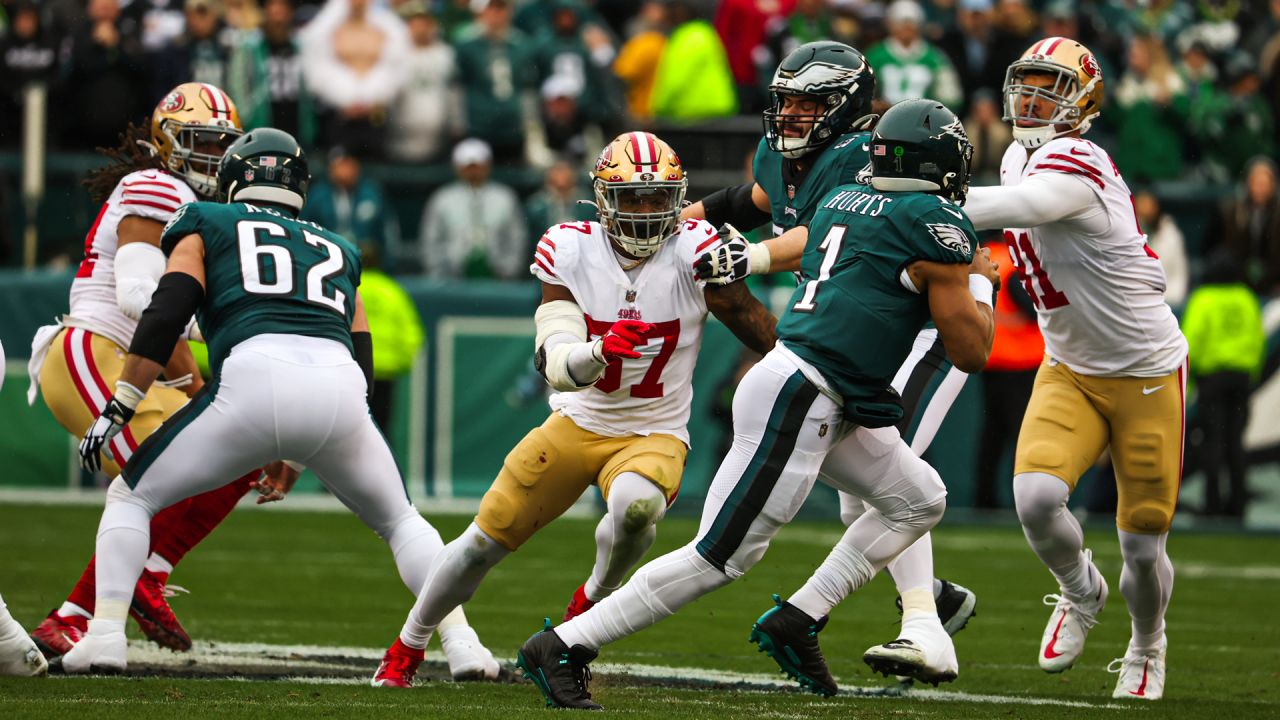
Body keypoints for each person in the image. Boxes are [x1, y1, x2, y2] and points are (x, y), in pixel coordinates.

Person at [515, 100, 997, 710]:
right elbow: (972, 349)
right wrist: (982, 278)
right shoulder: (936, 228)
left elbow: (785, 231)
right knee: (718, 557)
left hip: (816, 385)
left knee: (918, 499)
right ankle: (563, 644)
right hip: (806, 393)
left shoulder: (846, 202)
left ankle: (800, 616)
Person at [58, 128, 498, 681]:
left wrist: (122, 401)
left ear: (233, 178)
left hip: (252, 374)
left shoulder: (207, 221)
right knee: (402, 522)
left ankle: (103, 638)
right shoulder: (339, 247)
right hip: (338, 389)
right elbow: (359, 347)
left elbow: (166, 311)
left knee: (132, 495)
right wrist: (304, 450)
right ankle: (464, 644)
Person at [369, 130, 779, 689]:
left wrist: (799, 346)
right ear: (604, 200)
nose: (644, 211)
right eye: (630, 197)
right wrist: (599, 351)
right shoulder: (569, 246)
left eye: (657, 198)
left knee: (636, 510)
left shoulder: (696, 249)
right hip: (578, 420)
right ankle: (409, 643)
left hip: (654, 431)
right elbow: (554, 358)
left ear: (676, 198)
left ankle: (591, 599)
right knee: (478, 546)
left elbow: (757, 327)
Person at [682, 40, 979, 686]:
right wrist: (689, 220)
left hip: (921, 315)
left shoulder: (858, 159)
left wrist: (753, 259)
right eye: (783, 102)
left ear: (844, 109)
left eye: (805, 104)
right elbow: (754, 200)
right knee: (886, 489)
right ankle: (925, 608)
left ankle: (922, 618)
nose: (787, 116)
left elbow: (818, 235)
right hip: (859, 318)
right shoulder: (786, 153)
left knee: (894, 477)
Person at [961, 36, 1189, 701]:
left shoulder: (1079, 158)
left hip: (1145, 370)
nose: (1033, 97)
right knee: (1033, 499)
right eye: (1027, 82)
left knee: (1143, 548)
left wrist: (911, 199)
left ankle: (1149, 641)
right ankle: (1078, 588)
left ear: (1083, 101)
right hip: (1070, 365)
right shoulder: (1013, 157)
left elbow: (1022, 211)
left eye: (1051, 86)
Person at [25, 83, 258, 660]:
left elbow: (165, 326)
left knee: (241, 451)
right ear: (168, 140)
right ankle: (120, 593)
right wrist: (232, 326)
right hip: (95, 350)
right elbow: (139, 300)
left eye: (221, 145)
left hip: (135, 359)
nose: (212, 156)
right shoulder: (157, 185)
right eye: (201, 141)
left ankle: (87, 609)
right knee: (160, 475)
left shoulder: (201, 208)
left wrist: (205, 390)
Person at [1181, 253, 1265, 519]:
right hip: (1241, 378)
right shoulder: (1246, 298)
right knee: (1236, 443)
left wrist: (1191, 383)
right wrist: (1251, 375)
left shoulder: (1203, 298)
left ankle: (1213, 506)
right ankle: (1238, 506)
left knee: (1212, 442)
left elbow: (1190, 340)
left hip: (1213, 379)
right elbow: (1258, 340)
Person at [419, 138, 528, 279]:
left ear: (487, 166)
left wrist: (509, 271)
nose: (473, 171)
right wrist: (440, 273)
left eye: (478, 165)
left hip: (498, 277)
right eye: (468, 166)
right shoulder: (442, 199)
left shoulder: (505, 197)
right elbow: (431, 240)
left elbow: (516, 238)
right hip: (452, 278)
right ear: (457, 167)